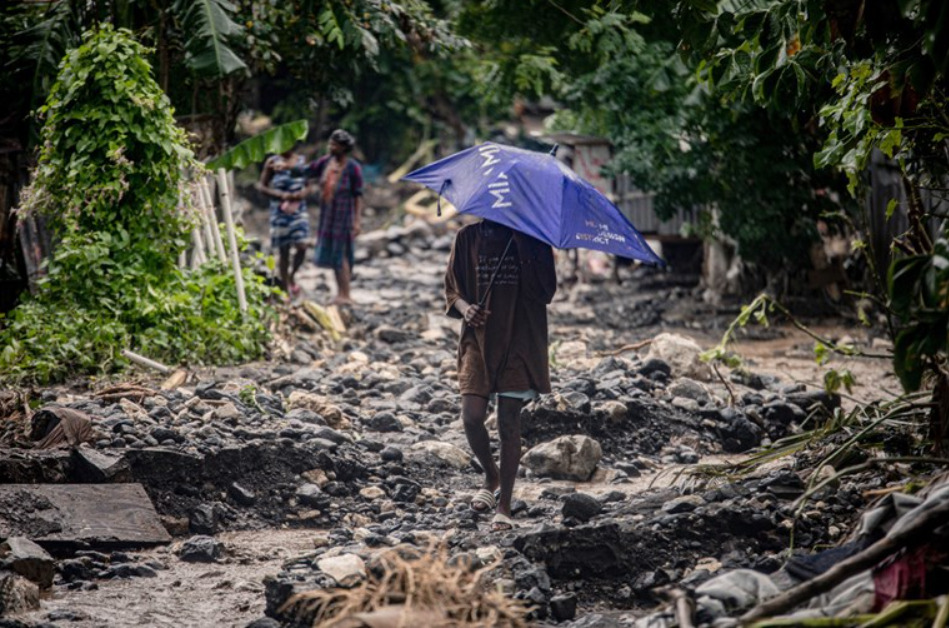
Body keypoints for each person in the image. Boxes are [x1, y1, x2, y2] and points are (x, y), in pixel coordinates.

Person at [444, 219, 557, 531]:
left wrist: (524, 248)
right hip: (477, 340)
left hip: (519, 340)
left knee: (509, 421)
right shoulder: (467, 238)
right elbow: (452, 290)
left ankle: (504, 504)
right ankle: (490, 473)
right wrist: (466, 309)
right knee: (471, 416)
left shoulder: (534, 238)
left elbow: (546, 291)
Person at [302, 129, 364, 305]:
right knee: (333, 253)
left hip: (344, 216)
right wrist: (288, 167)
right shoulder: (326, 162)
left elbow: (358, 196)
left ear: (343, 148)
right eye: (330, 143)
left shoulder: (353, 168)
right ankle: (340, 293)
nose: (331, 147)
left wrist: (357, 221)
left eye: (334, 145)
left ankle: (346, 294)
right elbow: (307, 171)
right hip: (328, 216)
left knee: (342, 254)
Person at [255, 147, 310, 297]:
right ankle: (285, 287)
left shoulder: (301, 161)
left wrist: (301, 194)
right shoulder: (272, 162)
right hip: (279, 211)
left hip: (298, 209)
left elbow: (309, 184)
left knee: (302, 245)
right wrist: (280, 195)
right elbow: (261, 186)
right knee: (283, 250)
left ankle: (292, 276)